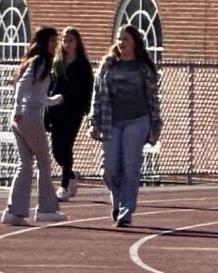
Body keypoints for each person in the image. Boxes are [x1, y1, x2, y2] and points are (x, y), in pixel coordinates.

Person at [89, 24, 161, 229]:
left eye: (126, 39)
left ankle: (126, 210)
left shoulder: (143, 68)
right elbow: (97, 94)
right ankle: (118, 200)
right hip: (112, 122)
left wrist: (156, 124)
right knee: (110, 168)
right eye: (119, 39)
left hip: (137, 121)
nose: (121, 43)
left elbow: (153, 98)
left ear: (135, 42)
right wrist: (93, 121)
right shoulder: (108, 65)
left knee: (130, 166)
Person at [2, 26, 65, 226]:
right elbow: (22, 87)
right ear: (44, 42)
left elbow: (36, 95)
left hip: (22, 116)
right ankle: (46, 209)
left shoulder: (34, 61)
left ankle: (14, 212)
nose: (56, 45)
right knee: (44, 163)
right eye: (53, 41)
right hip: (29, 117)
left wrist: (54, 100)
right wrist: (19, 110)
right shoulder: (41, 61)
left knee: (26, 164)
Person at [45, 26, 93, 202]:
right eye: (64, 40)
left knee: (67, 146)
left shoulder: (82, 64)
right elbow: (50, 87)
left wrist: (88, 112)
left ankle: (64, 185)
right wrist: (47, 110)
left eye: (70, 40)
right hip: (56, 110)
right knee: (57, 150)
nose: (67, 43)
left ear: (77, 43)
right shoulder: (56, 63)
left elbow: (88, 89)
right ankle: (71, 174)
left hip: (74, 112)